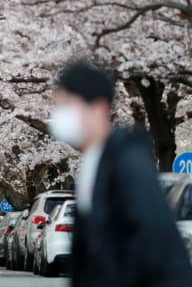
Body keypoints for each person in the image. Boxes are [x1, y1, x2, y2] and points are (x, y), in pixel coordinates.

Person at [49, 60, 192, 287]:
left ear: (99, 108)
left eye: (68, 105)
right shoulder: (94, 165)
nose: (59, 116)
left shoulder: (128, 165)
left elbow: (156, 247)